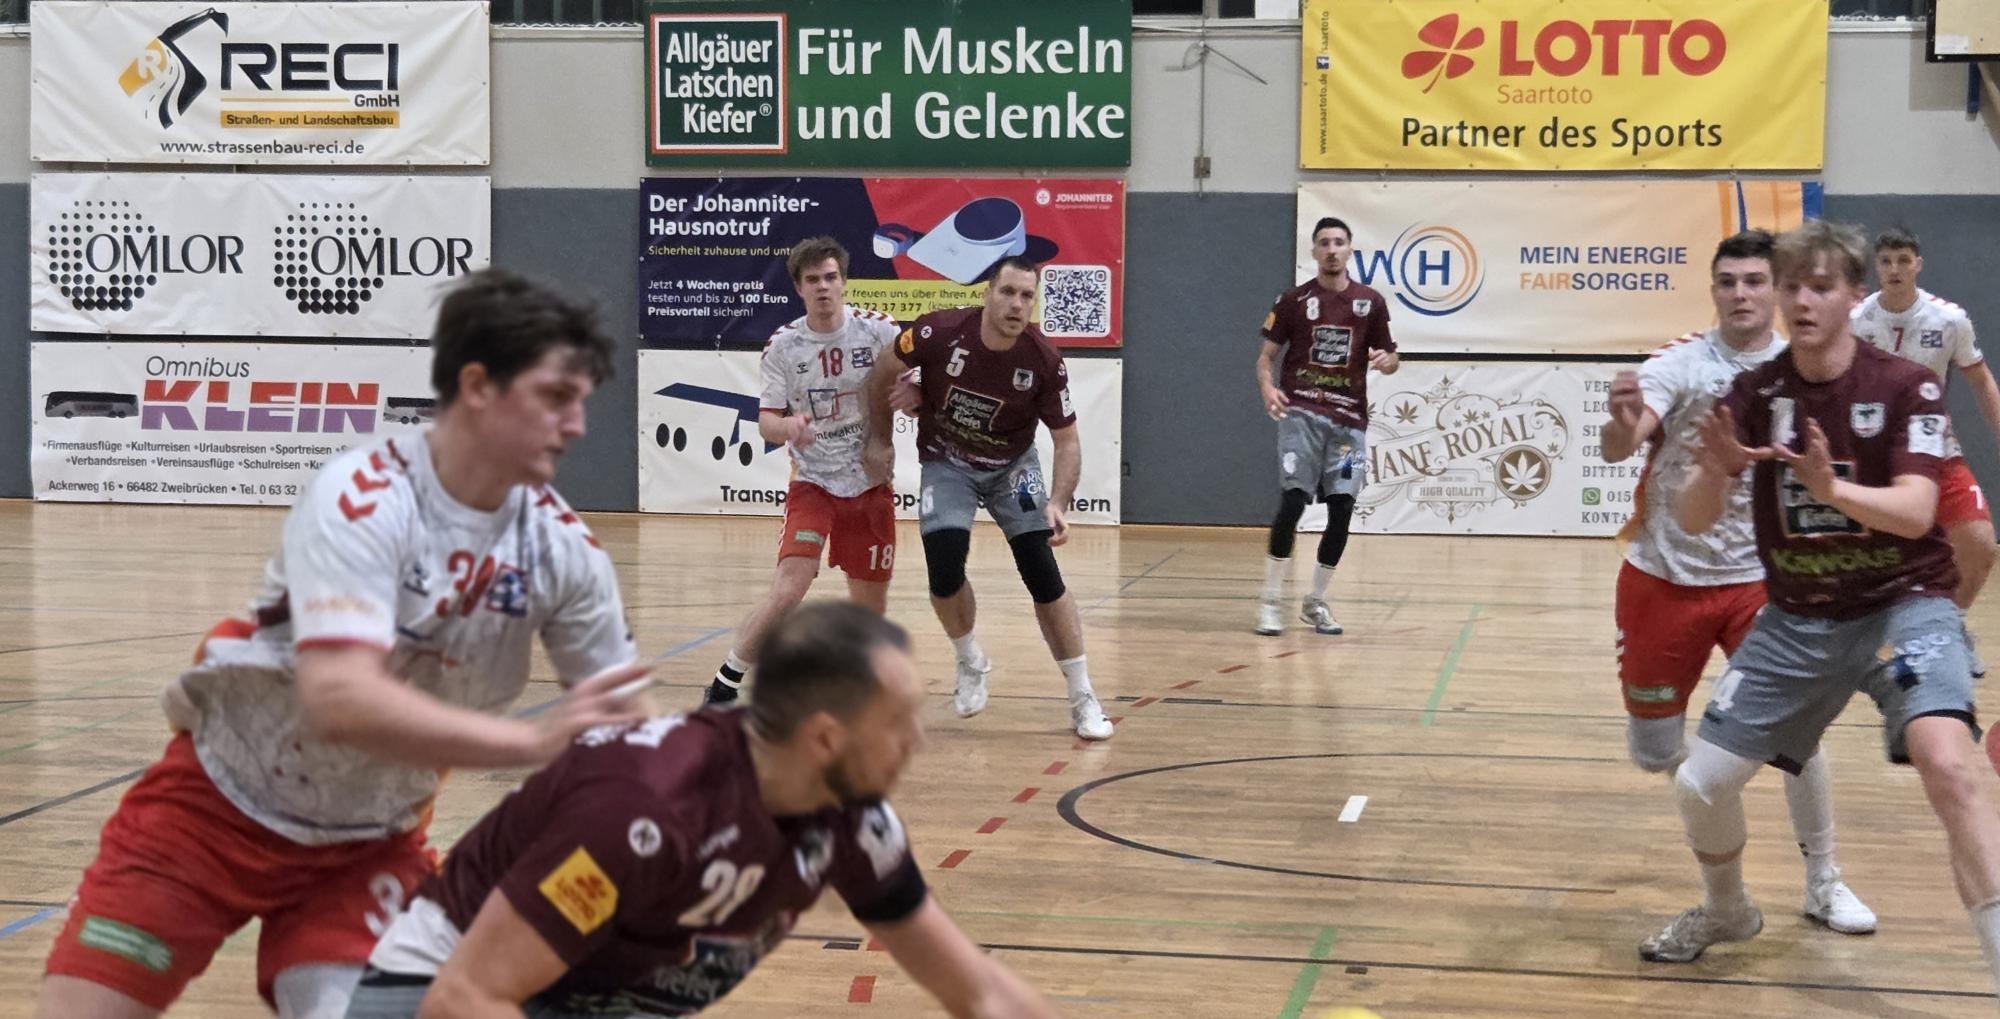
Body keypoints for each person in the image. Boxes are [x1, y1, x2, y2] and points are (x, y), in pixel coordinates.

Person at [35, 269, 654, 1019]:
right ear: (478, 385)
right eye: (556, 396)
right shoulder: (361, 495)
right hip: (211, 812)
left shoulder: (565, 552)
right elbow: (340, 699)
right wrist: (531, 742)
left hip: (367, 849)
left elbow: (630, 737)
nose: (578, 423)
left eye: (582, 400)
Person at [343, 602, 1065, 1019]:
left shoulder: (851, 817)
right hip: (438, 991)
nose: (918, 744)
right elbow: (464, 997)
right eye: (900, 723)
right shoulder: (646, 813)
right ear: (824, 738)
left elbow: (979, 992)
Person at [1643, 220, 2000, 982]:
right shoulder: (1755, 391)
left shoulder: (1904, 385)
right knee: (1700, 783)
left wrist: (1830, 487)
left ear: (1852, 297)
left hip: (1903, 604)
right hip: (1799, 618)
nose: (1801, 300)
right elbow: (1695, 518)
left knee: (1950, 762)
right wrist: (1718, 470)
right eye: (1792, 286)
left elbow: (1915, 512)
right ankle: (1728, 909)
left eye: (1820, 286)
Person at [1599, 229, 1874, 936]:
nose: (1741, 294)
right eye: (1728, 282)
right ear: (1714, 290)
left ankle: (1821, 879)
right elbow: (1623, 442)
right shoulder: (1682, 363)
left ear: (1775, 288)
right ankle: (1714, 797)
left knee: (1798, 738)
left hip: (1762, 584)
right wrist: (1622, 424)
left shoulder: (1804, 369)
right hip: (1664, 576)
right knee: (1654, 752)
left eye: (1755, 281)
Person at [861, 257, 1113, 741]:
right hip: (947, 461)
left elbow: (1067, 441)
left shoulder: (1044, 361)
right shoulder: (938, 333)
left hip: (1013, 468)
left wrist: (1059, 501)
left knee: (1042, 571)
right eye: (1008, 292)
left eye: (1027, 296)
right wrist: (881, 439)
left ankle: (1082, 695)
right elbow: (883, 370)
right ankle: (969, 658)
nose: (1017, 304)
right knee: (944, 569)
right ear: (987, 294)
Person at [704, 237, 903, 706]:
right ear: (799, 288)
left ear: (845, 281)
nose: (823, 287)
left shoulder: (879, 331)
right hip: (813, 483)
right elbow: (766, 423)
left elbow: (911, 383)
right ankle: (726, 680)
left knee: (869, 604)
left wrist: (902, 410)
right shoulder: (784, 346)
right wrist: (789, 427)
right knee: (791, 585)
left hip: (870, 485)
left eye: (831, 278)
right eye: (813, 280)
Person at [1848, 227, 1998, 672]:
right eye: (1886, 261)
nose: (1894, 269)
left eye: (1903, 260)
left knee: (1980, 546)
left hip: (1936, 450)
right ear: (1877, 268)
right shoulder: (1856, 320)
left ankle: (1948, 627)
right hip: (1874, 456)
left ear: (1918, 265)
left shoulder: (1949, 320)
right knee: (1865, 560)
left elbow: (1980, 380)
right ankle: (1865, 644)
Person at [1253, 216, 1399, 637]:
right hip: (1302, 415)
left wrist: (1388, 361)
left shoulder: (1371, 302)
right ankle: (1270, 602)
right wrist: (1268, 388)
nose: (1332, 249)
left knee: (1342, 508)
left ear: (1350, 249)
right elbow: (1265, 358)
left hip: (1349, 427)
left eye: (1339, 242)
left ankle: (1315, 601)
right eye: (1324, 243)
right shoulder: (1293, 301)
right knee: (1293, 500)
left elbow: (1391, 357)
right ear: (1314, 251)